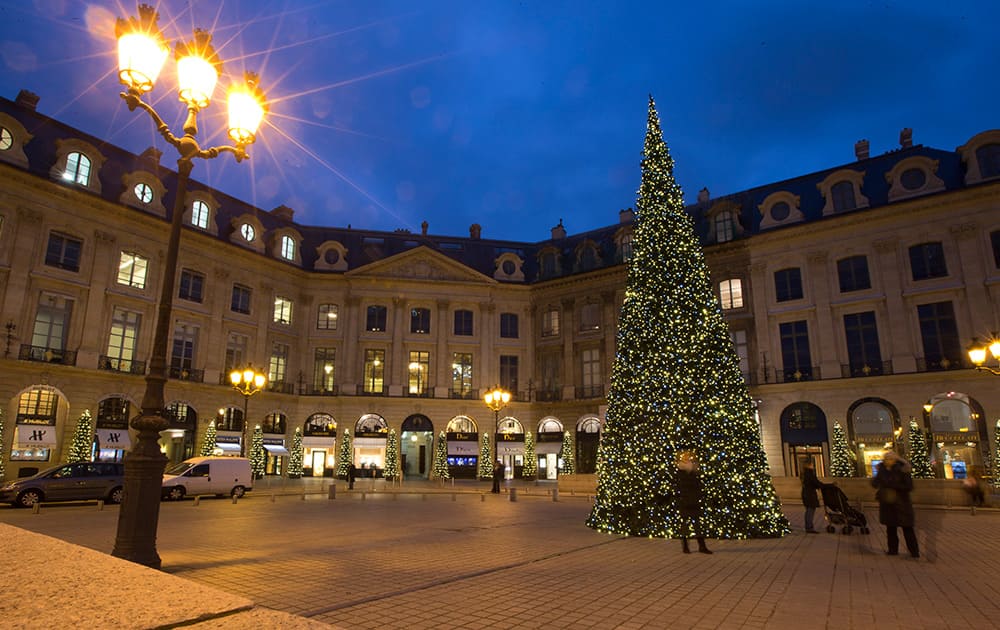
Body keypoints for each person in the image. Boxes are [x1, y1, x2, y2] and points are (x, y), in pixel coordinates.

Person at [872, 450, 919, 558]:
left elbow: (909, 486)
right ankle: (892, 550)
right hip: (888, 504)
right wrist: (876, 482)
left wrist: (892, 485)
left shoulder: (903, 470)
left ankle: (914, 552)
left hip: (902, 504)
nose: (888, 461)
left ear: (895, 460)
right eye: (886, 459)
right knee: (891, 528)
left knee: (907, 528)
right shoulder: (882, 470)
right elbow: (875, 483)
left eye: (890, 459)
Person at [675, 450, 712, 554]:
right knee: (685, 525)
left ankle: (702, 546)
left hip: (694, 500)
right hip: (685, 500)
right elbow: (678, 487)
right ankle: (686, 546)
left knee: (697, 524)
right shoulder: (680, 471)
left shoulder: (694, 471)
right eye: (685, 457)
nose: (687, 458)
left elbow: (698, 486)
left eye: (689, 456)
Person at [800, 458, 829, 534]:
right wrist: (829, 485)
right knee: (810, 510)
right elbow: (816, 483)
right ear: (809, 465)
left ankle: (808, 526)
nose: (813, 465)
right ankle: (809, 527)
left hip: (806, 494)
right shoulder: (809, 473)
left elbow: (811, 484)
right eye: (812, 464)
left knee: (809, 510)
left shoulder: (804, 473)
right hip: (810, 495)